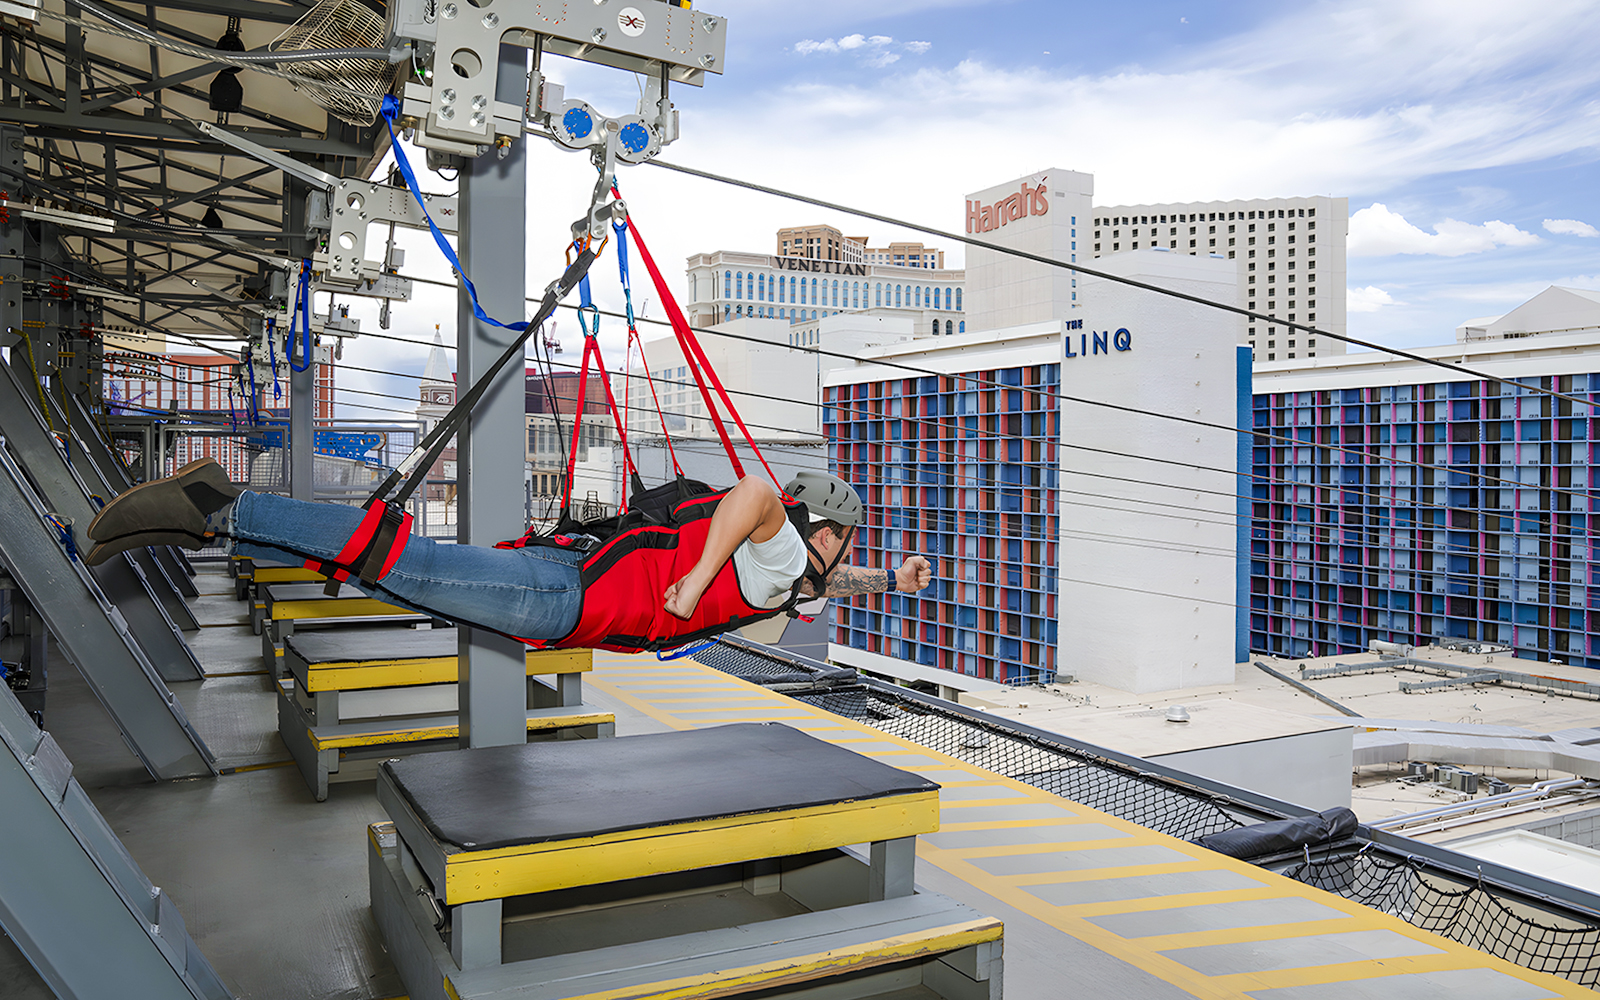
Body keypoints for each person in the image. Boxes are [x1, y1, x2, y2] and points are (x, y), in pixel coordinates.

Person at [84, 460, 932, 650]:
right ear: (824, 530)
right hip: (564, 596)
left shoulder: (795, 577)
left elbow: (822, 583)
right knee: (402, 565)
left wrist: (888, 579)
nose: (844, 556)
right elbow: (751, 492)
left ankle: (219, 520)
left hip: (567, 589)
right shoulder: (779, 549)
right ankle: (219, 507)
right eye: (845, 543)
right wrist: (696, 583)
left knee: (396, 581)